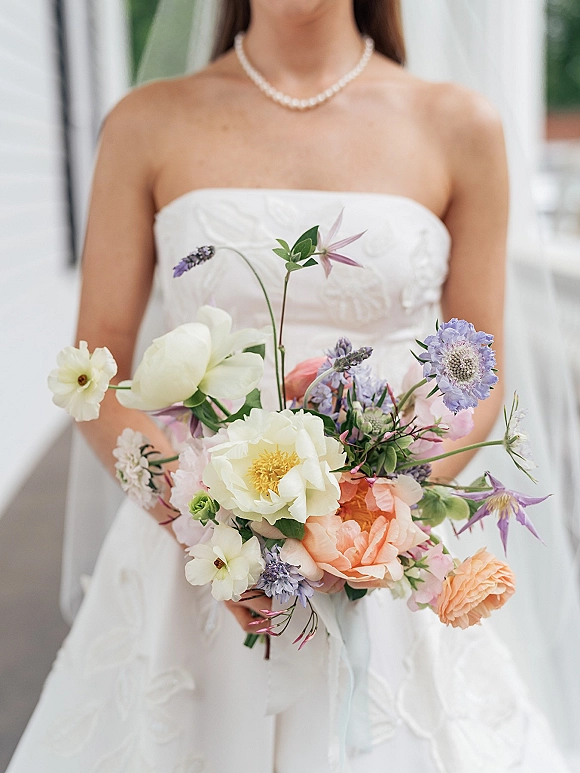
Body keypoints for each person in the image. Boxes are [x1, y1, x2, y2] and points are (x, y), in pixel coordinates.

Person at [7, 1, 572, 771]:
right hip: (195, 563)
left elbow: (481, 379)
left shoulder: (460, 124)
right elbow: (95, 372)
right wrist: (212, 523)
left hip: (389, 561)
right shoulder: (145, 122)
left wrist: (365, 529)